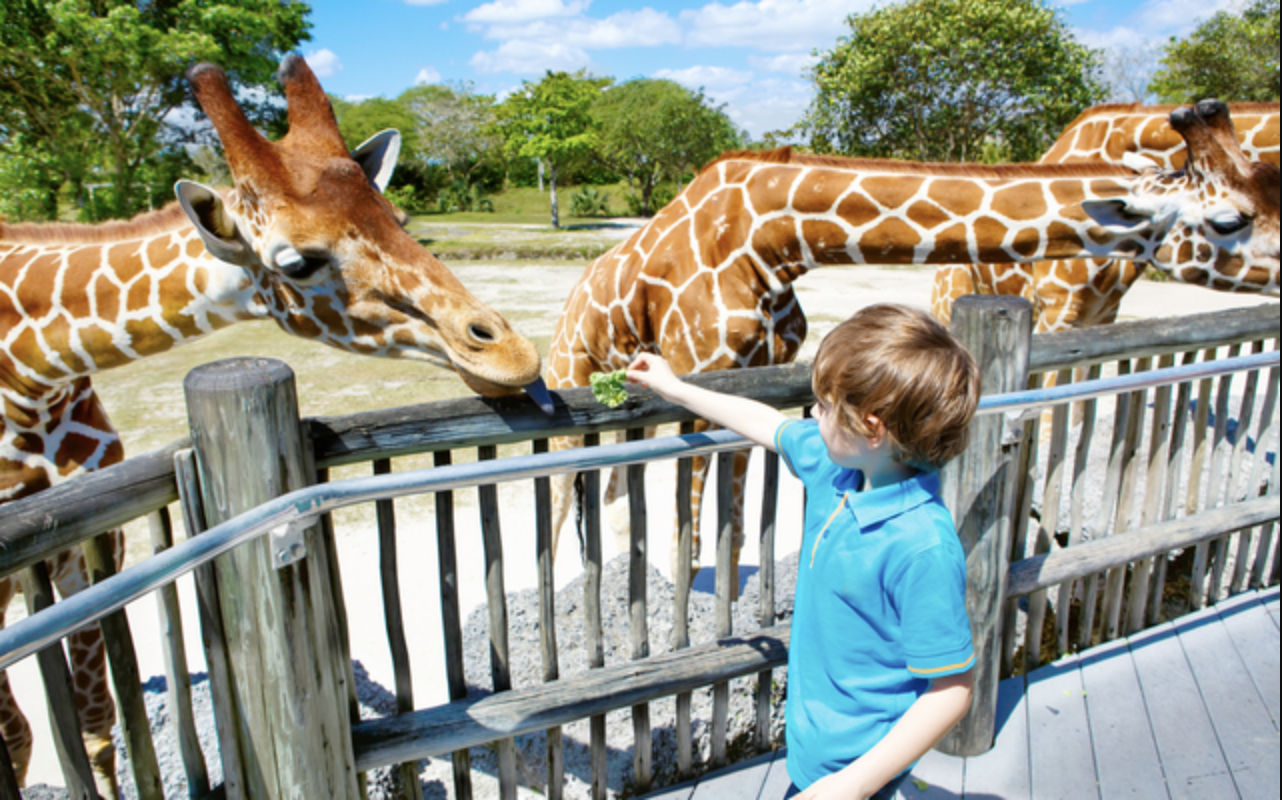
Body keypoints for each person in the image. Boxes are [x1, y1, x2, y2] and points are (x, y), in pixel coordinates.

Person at [626, 304, 981, 800]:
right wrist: (676, 387)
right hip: (814, 757)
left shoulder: (922, 546)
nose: (814, 414)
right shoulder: (839, 468)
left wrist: (853, 785)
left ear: (872, 427)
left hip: (859, 773)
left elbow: (952, 690)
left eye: (826, 406)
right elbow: (766, 423)